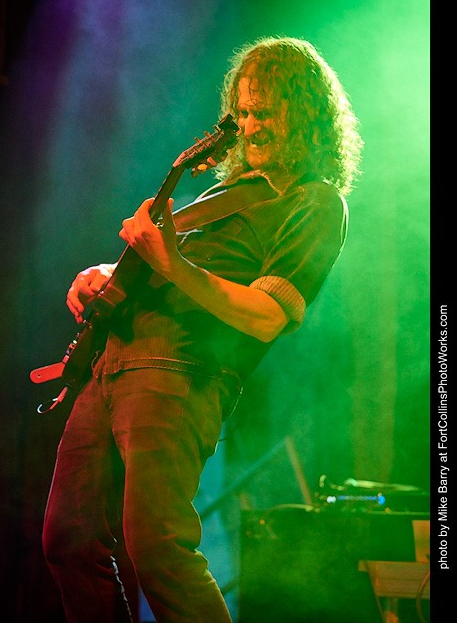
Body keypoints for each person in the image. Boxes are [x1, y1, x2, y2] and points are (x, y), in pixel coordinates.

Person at [42, 36, 363, 622]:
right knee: (68, 538)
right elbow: (168, 265)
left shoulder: (316, 202)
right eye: (242, 112)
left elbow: (267, 315)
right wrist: (107, 274)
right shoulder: (227, 191)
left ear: (306, 115)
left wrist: (171, 263)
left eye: (266, 112)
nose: (249, 126)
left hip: (179, 372)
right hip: (110, 363)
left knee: (158, 548)